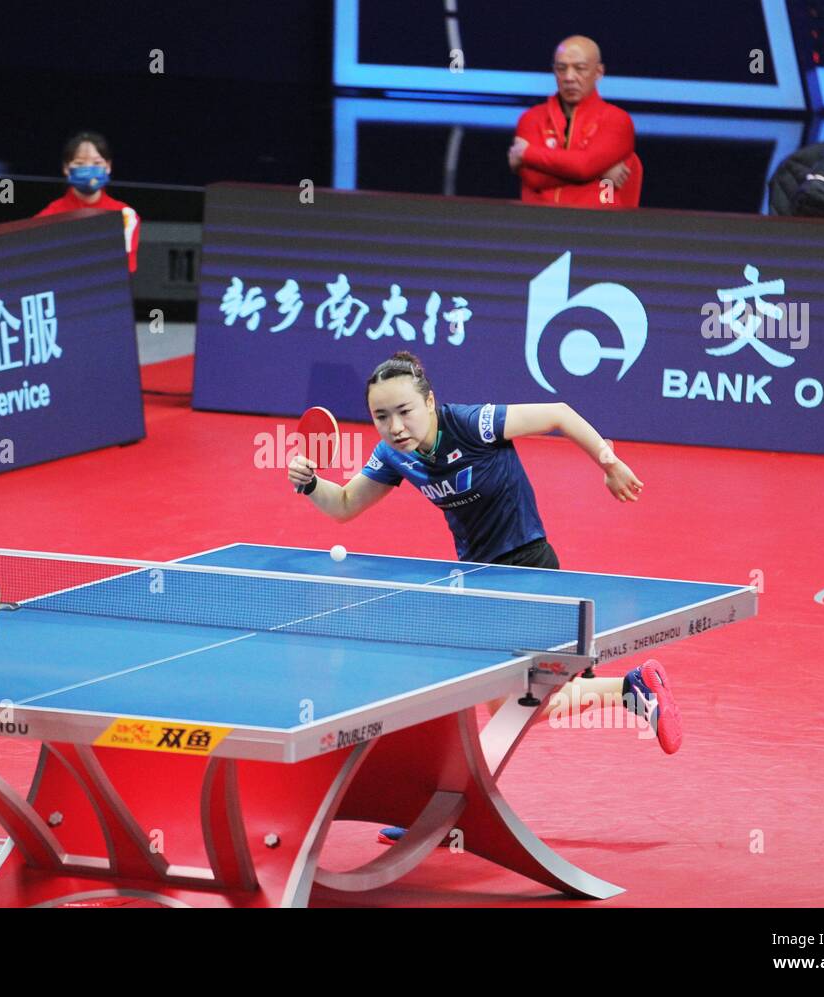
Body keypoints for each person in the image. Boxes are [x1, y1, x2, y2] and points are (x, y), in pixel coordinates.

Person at [286, 351, 680, 843]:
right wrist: (310, 484)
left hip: (531, 574)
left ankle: (437, 809)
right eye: (381, 416)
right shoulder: (393, 455)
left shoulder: (474, 424)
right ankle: (632, 689)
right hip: (478, 585)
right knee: (507, 706)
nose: (394, 425)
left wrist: (608, 461)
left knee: (484, 699)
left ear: (429, 402)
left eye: (404, 411)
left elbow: (558, 412)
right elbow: (344, 506)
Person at [509, 35, 641, 208]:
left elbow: (584, 166)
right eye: (561, 69)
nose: (569, 77)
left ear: (599, 72)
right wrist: (598, 171)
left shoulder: (616, 120)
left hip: (599, 224)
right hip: (539, 223)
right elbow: (534, 178)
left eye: (580, 68)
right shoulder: (532, 118)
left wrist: (526, 154)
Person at [37, 130, 141, 272]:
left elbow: (124, 269)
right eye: (79, 163)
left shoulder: (125, 215)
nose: (88, 170)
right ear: (66, 168)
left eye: (97, 163)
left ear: (108, 166)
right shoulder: (48, 217)